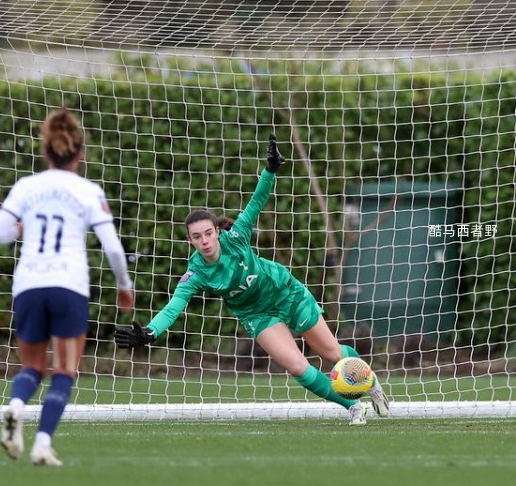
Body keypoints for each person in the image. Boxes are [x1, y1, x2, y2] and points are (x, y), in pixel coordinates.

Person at [114, 134, 389, 425]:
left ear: (216, 231)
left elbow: (256, 202)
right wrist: (150, 332)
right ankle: (352, 407)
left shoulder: (237, 236)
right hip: (256, 314)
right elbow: (174, 306)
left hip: (285, 292)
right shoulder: (195, 273)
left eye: (208, 233)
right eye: (197, 237)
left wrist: (270, 169)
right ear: (191, 240)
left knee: (332, 352)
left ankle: (370, 383)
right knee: (297, 366)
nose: (205, 241)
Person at [0, 108, 134, 466]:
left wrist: (19, 229)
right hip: (68, 285)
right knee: (64, 370)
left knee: (31, 367)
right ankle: (41, 443)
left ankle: (16, 407)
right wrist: (124, 284)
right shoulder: (87, 190)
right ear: (79, 153)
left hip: (29, 285)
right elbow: (112, 246)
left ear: (45, 151)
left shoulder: (27, 186)